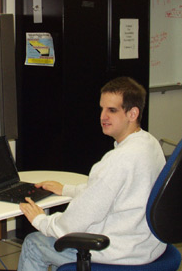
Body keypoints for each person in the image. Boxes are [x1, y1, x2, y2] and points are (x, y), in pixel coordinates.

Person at [18, 77, 167, 271]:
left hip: (118, 251)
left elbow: (70, 225)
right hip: (147, 245)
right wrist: (67, 190)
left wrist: (40, 220)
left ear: (133, 113)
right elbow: (108, 193)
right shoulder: (149, 143)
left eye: (112, 110)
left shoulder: (119, 160)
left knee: (34, 243)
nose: (103, 116)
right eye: (102, 109)